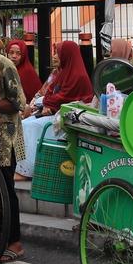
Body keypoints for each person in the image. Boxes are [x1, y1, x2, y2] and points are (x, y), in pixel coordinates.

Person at [20, 41, 93, 179]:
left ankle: (27, 171)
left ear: (67, 56)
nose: (54, 56)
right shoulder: (60, 73)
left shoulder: (78, 76)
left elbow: (61, 98)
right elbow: (48, 94)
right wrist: (48, 103)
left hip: (68, 120)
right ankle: (23, 168)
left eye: (58, 53)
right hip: (55, 114)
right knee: (25, 123)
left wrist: (49, 103)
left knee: (28, 125)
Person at [0, 43, 25, 262]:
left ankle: (14, 243)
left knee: (7, 190)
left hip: (6, 137)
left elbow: (18, 102)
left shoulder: (5, 66)